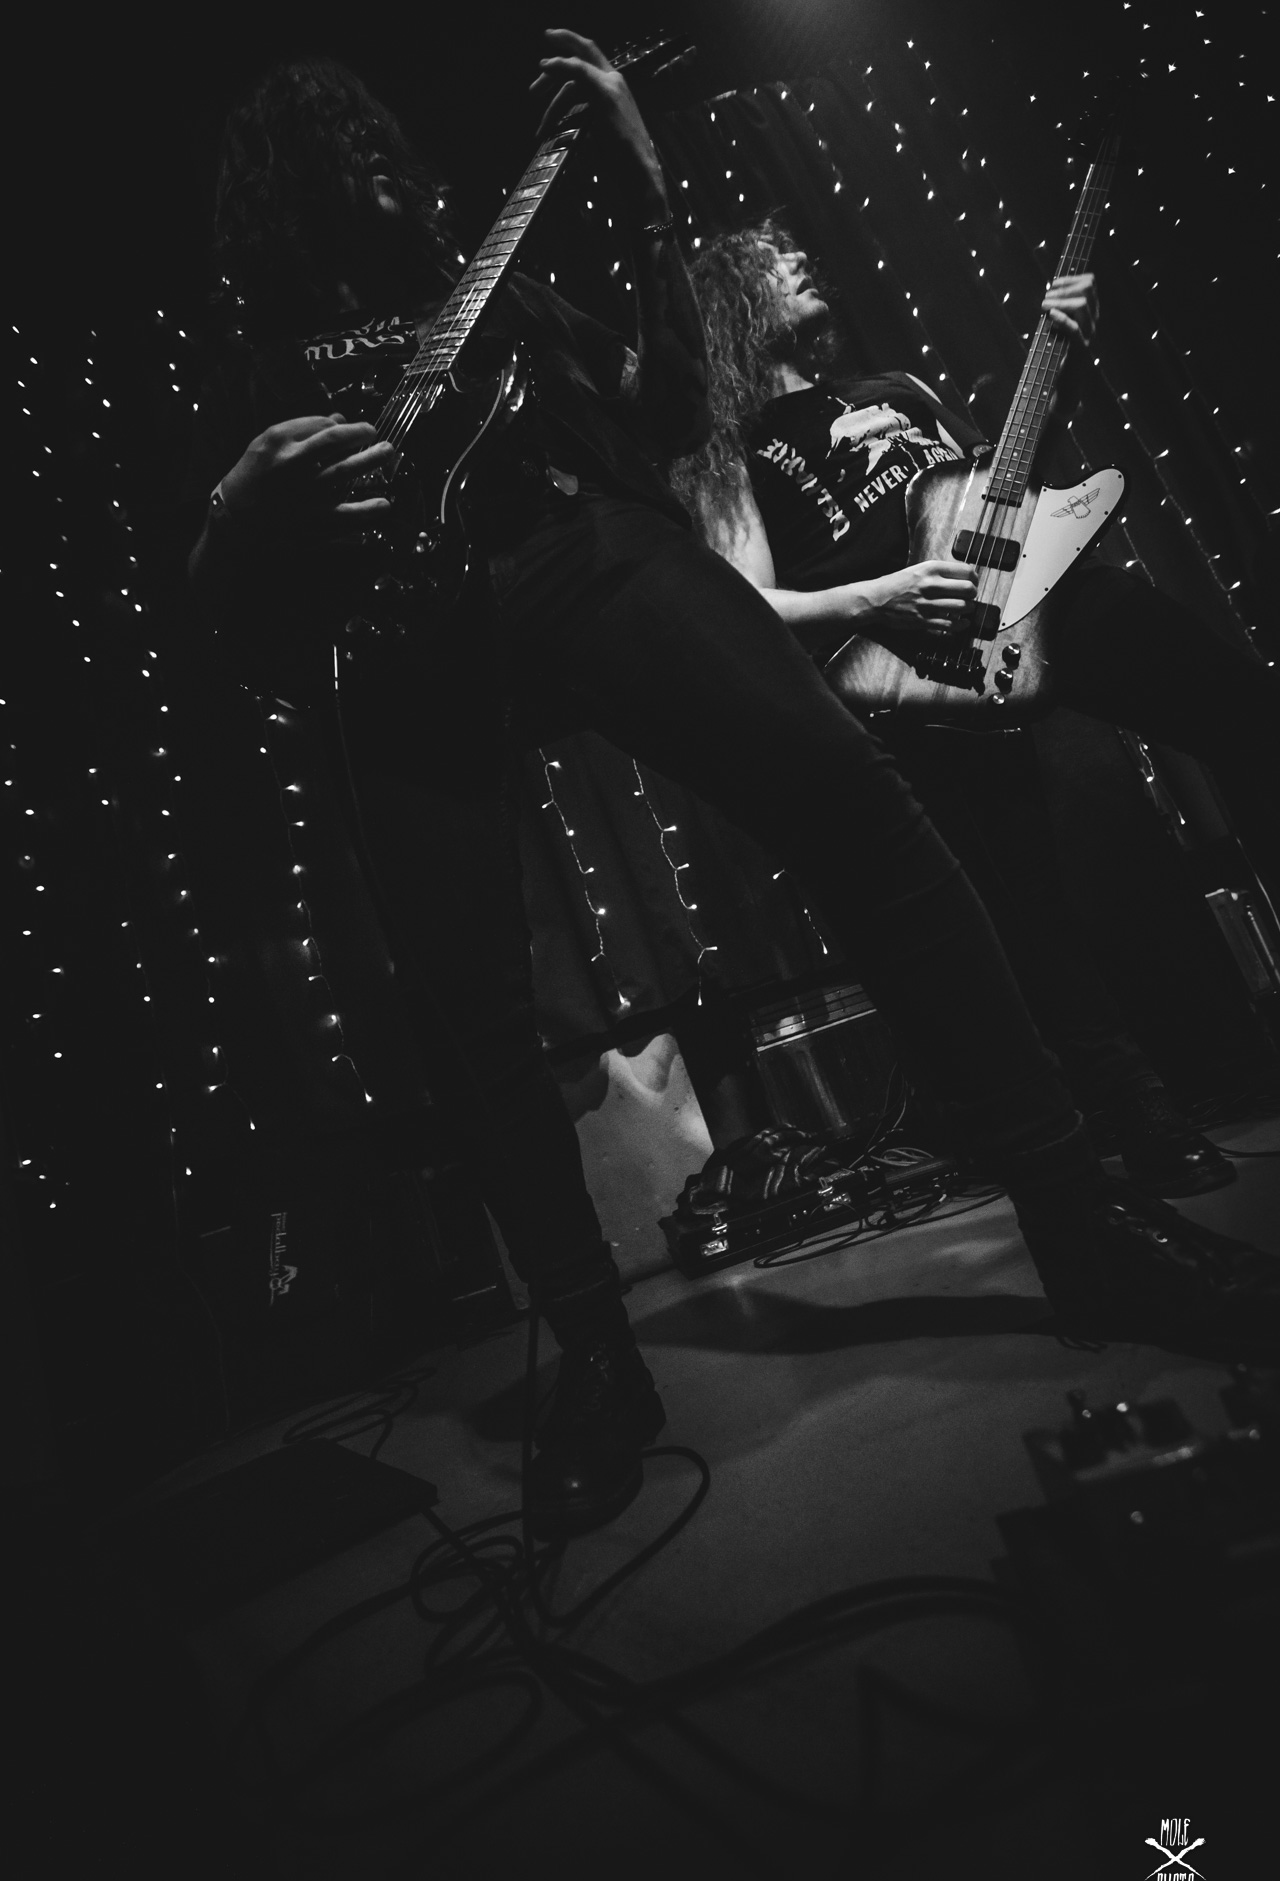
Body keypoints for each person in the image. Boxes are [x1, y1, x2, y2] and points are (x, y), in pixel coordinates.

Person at [185, 42, 1280, 1536]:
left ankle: (1083, 1220)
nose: (374, 161)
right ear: (279, 191)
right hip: (397, 643)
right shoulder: (255, 369)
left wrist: (644, 193)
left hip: (575, 544)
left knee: (859, 808)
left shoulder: (507, 301)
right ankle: (595, 1355)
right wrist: (231, 519)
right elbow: (225, 626)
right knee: (467, 1007)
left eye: (382, 137)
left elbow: (666, 420)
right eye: (334, 147)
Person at [675, 220, 1280, 1192]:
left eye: (800, 252)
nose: (801, 261)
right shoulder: (729, 446)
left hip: (1041, 602)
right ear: (731, 303)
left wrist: (1060, 367)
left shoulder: (898, 389)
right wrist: (878, 597)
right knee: (1027, 898)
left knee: (1248, 716)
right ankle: (1139, 1116)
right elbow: (746, 605)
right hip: (911, 662)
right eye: (774, 262)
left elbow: (1006, 489)